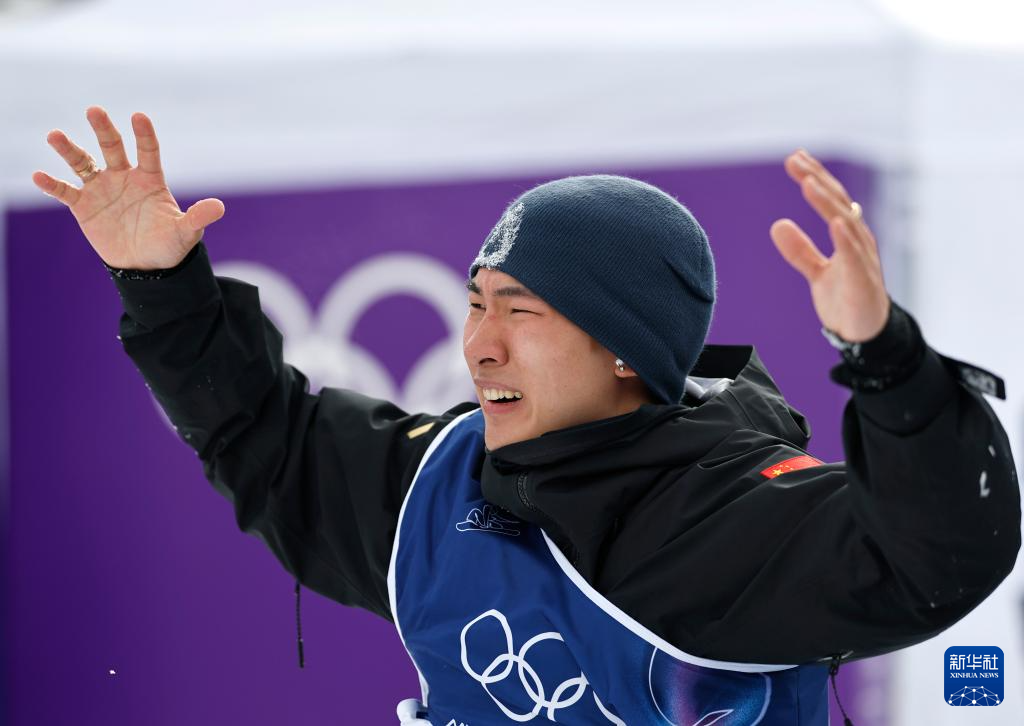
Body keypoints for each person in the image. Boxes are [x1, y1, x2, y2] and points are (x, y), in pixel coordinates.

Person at [34, 106, 1019, 725]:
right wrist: (164, 286)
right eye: (475, 304)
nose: (480, 344)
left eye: (522, 311)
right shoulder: (438, 486)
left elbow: (938, 555)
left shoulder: (733, 515)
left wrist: (890, 360)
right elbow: (265, 439)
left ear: (626, 349)